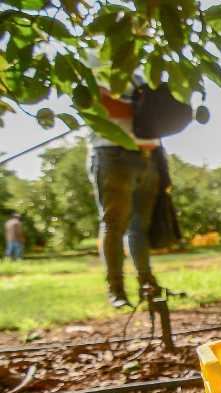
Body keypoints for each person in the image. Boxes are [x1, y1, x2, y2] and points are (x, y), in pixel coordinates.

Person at [87, 80, 163, 308]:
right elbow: (103, 105)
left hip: (146, 154)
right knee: (114, 223)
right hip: (112, 153)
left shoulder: (141, 73)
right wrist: (149, 110)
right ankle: (116, 289)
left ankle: (148, 285)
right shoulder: (97, 64)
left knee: (139, 227)